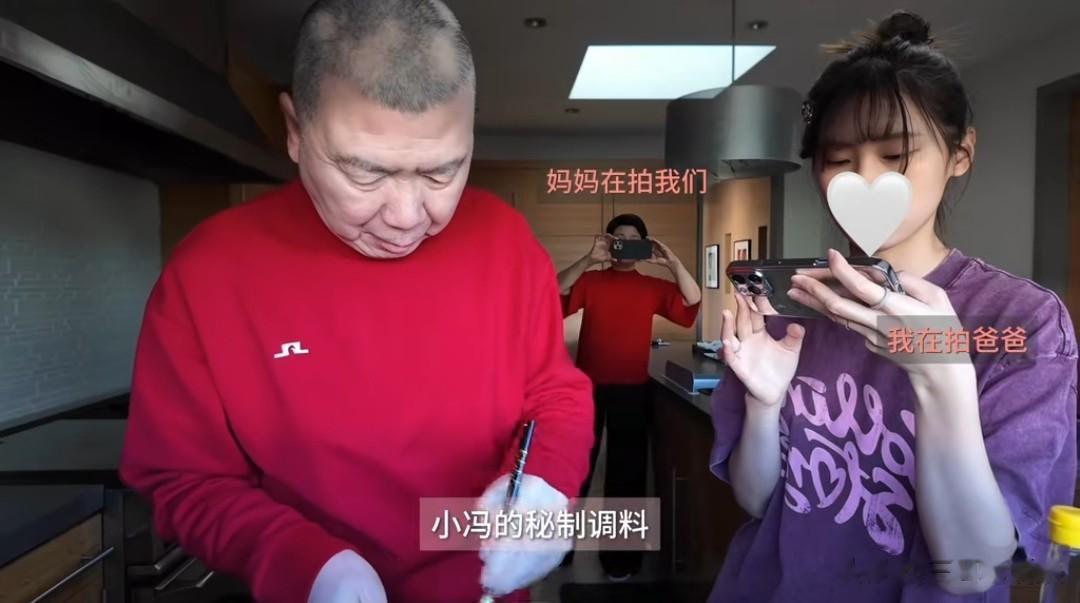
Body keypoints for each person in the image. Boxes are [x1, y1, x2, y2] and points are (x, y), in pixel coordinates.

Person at [118, 1, 594, 602]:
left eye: (441, 172)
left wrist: (546, 483)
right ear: (295, 130)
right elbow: (183, 477)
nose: (406, 217)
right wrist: (308, 565)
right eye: (365, 174)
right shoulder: (207, 273)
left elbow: (554, 393)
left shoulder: (506, 243)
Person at [707, 10, 1077, 603]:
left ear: (960, 153)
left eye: (895, 154)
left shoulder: (1021, 321)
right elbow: (757, 502)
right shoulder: (790, 305)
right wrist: (764, 403)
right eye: (838, 159)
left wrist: (944, 375)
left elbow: (972, 572)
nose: (863, 178)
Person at [556, 213, 701, 578]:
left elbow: (692, 301)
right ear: (609, 242)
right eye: (618, 238)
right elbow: (555, 292)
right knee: (573, 469)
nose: (625, 244)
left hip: (633, 389)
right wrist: (590, 258)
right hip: (586, 390)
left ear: (643, 246)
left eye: (633, 239)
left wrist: (671, 261)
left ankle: (621, 559)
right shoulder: (591, 280)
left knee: (628, 475)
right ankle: (557, 551)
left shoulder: (651, 286)